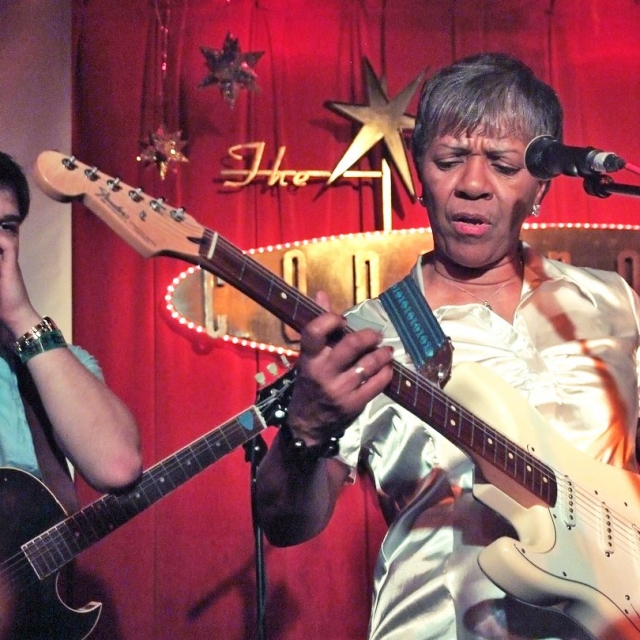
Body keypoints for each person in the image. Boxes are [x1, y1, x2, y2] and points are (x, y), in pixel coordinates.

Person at [255, 52, 640, 639]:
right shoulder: (368, 335)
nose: (473, 185)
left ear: (541, 184)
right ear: (420, 172)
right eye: (450, 159)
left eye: (504, 165)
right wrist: (305, 427)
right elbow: (286, 524)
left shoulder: (614, 303)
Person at [0, 150, 142, 496]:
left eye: (7, 227)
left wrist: (21, 316)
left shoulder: (52, 365)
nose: (1, 243)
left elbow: (118, 466)